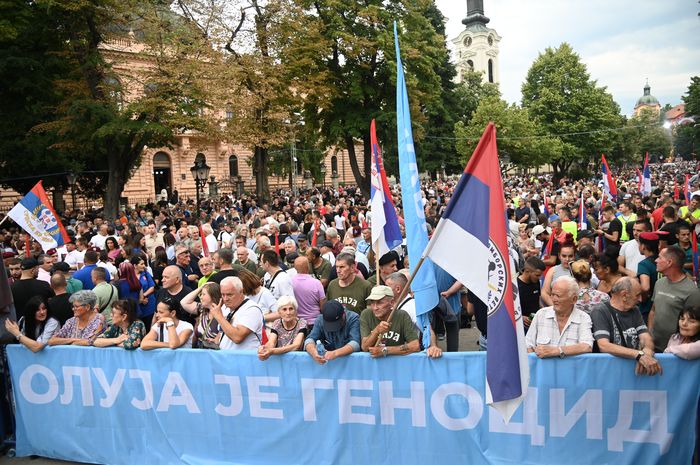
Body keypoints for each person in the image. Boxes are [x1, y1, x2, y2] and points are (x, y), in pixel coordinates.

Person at [590, 278, 661, 376]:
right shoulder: (600, 311)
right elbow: (604, 345)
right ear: (624, 295)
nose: (640, 299)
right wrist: (638, 355)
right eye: (637, 295)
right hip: (611, 372)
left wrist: (647, 352)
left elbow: (645, 337)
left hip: (635, 371)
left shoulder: (635, 310)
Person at [525, 277, 594, 357]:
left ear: (574, 299)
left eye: (558, 296)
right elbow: (528, 345)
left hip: (570, 365)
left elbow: (587, 346)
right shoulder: (541, 314)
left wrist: (558, 350)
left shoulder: (583, 318)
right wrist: (535, 361)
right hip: (543, 364)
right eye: (552, 295)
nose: (554, 299)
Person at [649, 245, 700, 352]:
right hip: (653, 346)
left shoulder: (691, 291)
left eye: (660, 257)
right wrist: (649, 335)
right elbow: (653, 310)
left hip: (676, 351)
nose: (656, 260)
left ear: (669, 262)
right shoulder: (659, 283)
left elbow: (694, 322)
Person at [360, 285, 420, 357]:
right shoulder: (366, 314)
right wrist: (376, 331)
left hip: (396, 362)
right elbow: (365, 347)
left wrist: (385, 350)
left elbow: (415, 346)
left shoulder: (402, 315)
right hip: (373, 363)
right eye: (372, 302)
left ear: (392, 302)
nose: (375, 308)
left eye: (380, 303)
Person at [209, 277, 265, 350]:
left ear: (241, 291)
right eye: (223, 295)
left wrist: (219, 317)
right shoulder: (225, 307)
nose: (225, 299)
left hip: (243, 356)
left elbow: (237, 337)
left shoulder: (252, 309)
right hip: (226, 355)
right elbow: (223, 331)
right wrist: (216, 341)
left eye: (229, 295)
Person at [304, 300, 361, 364]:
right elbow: (309, 340)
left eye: (335, 323)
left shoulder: (353, 318)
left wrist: (335, 353)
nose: (333, 328)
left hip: (350, 363)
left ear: (343, 314)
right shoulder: (320, 320)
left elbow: (355, 343)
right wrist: (314, 353)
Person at [258, 296, 309, 361]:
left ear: (296, 311)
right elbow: (271, 342)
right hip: (281, 361)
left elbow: (296, 346)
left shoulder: (302, 323)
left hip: (298, 360)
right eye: (284, 309)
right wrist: (264, 348)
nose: (288, 313)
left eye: (291, 309)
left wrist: (272, 351)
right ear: (279, 312)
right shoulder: (277, 323)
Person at [180, 282, 222, 349]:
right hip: (200, 350)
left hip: (214, 352)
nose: (201, 297)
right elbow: (184, 302)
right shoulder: (203, 309)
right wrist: (201, 287)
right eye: (201, 294)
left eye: (203, 294)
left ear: (213, 296)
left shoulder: (223, 312)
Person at [291, 256, 326, 329]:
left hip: (297, 322)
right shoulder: (316, 283)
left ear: (295, 267)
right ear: (308, 266)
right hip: (315, 322)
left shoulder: (290, 282)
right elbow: (323, 306)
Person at [517, 257, 545, 326]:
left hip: (536, 322)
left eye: (540, 275)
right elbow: (509, 309)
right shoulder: (516, 286)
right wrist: (521, 317)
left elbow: (538, 301)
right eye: (537, 275)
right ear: (527, 271)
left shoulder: (536, 282)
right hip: (521, 325)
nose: (539, 278)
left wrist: (545, 311)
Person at [131, 255, 156, 330]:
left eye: (144, 263)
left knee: (150, 327)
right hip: (137, 307)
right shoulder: (130, 276)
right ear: (135, 265)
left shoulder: (146, 273)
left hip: (149, 305)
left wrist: (143, 296)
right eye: (141, 264)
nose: (144, 266)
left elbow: (152, 287)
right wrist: (140, 299)